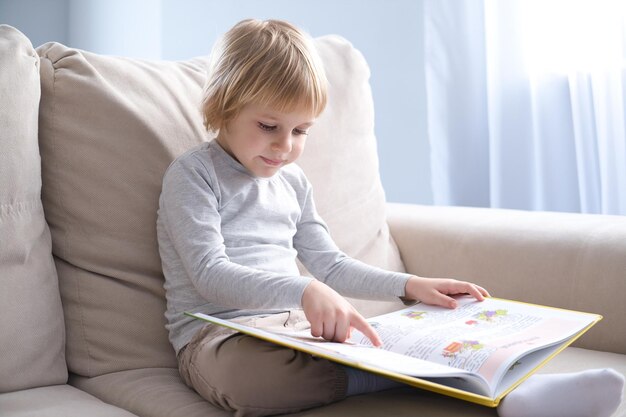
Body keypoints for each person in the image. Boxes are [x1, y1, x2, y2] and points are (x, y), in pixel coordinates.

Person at [157, 18, 624, 417]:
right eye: (268, 127)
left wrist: (409, 285)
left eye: (300, 131)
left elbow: (331, 265)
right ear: (224, 105)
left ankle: (510, 395)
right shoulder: (193, 175)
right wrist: (305, 289)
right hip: (214, 339)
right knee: (250, 380)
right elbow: (208, 274)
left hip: (294, 333)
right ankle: (442, 386)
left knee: (387, 341)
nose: (285, 146)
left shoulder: (293, 183)